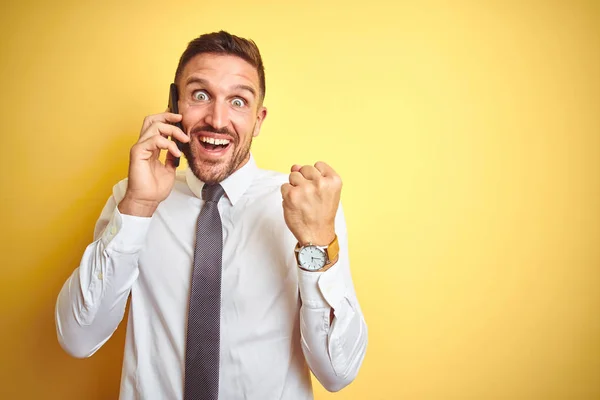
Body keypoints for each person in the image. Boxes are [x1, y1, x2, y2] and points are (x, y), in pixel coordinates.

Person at [55, 31, 367, 400]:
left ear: (258, 119)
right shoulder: (134, 197)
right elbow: (77, 337)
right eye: (200, 95)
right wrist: (137, 208)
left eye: (238, 101)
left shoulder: (308, 208)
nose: (217, 120)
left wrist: (315, 241)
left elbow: (338, 372)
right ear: (175, 102)